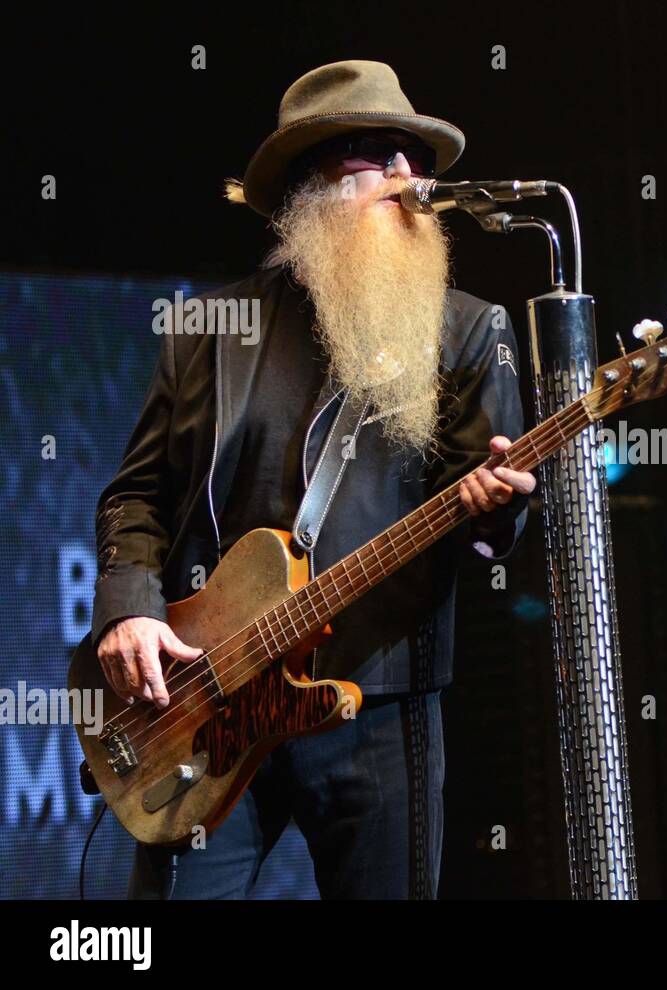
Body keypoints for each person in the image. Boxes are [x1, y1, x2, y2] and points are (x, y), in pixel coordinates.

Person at [91, 60, 535, 899]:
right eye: (377, 153)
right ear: (309, 183)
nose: (409, 177)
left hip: (379, 700)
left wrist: (494, 509)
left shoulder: (470, 330)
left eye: (416, 156)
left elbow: (488, 521)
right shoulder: (207, 331)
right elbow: (137, 492)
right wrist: (128, 610)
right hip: (208, 701)